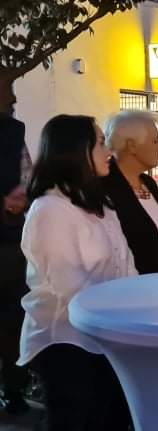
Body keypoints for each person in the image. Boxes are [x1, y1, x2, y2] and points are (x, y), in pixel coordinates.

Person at [20, 115, 137, 430]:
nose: (109, 152)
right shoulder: (50, 210)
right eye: (100, 143)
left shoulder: (100, 204)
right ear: (75, 150)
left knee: (113, 419)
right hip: (66, 339)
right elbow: (69, 286)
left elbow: (125, 265)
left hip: (106, 334)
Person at [103, 111, 158, 274]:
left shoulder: (148, 183)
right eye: (155, 141)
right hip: (139, 286)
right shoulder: (105, 187)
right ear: (132, 145)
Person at [0, 113, 31, 415]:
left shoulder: (12, 130)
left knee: (14, 316)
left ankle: (13, 388)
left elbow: (26, 175)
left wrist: (21, 195)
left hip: (10, 240)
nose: (12, 98)